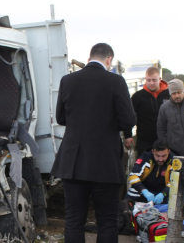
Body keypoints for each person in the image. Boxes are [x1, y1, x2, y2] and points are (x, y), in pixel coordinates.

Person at [51, 43, 136, 243]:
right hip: (105, 161)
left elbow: (61, 118)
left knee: (73, 220)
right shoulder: (116, 81)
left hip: (73, 160)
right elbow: (127, 121)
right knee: (107, 221)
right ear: (109, 60)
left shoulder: (68, 80)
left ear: (89, 58)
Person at [124, 67, 170, 156]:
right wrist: (128, 135)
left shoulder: (169, 95)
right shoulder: (137, 97)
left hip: (166, 139)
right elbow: (129, 116)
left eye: (154, 80)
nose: (151, 83)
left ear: (160, 79)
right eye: (148, 80)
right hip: (144, 140)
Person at [124, 138, 174, 204]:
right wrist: (144, 191)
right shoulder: (145, 157)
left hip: (164, 192)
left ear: (168, 152)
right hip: (145, 189)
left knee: (175, 198)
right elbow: (133, 176)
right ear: (153, 151)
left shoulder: (174, 161)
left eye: (164, 156)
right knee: (132, 191)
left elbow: (175, 182)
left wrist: (163, 194)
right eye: (157, 156)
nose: (160, 159)